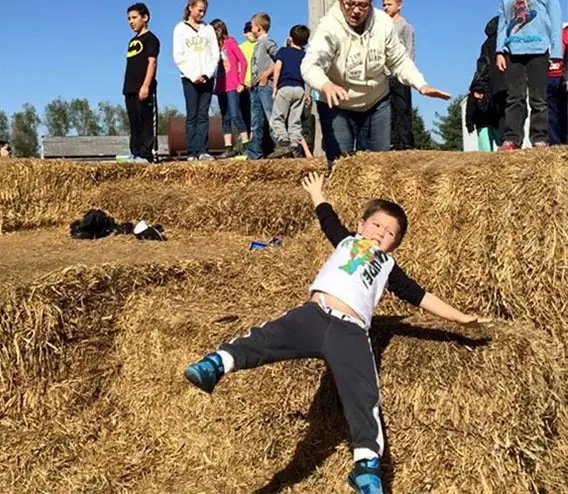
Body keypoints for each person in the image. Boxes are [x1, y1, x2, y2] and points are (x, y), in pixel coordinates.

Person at [184, 172, 490, 494]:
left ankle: (366, 467)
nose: (381, 234)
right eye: (377, 226)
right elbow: (327, 220)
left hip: (351, 331)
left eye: (390, 234)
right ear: (361, 225)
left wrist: (459, 318)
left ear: (394, 246)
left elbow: (420, 296)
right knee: (265, 338)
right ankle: (216, 364)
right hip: (314, 315)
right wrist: (317, 193)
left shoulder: (387, 266)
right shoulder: (346, 240)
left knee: (364, 394)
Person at [301, 0, 450, 166]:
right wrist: (325, 84)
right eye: (350, 4)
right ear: (340, 1)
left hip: (376, 103)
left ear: (370, 4)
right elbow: (310, 65)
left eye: (363, 5)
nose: (356, 11)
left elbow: (399, 60)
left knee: (378, 166)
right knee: (341, 166)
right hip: (338, 104)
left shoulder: (383, 23)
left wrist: (421, 84)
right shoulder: (329, 27)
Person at [495, 0, 563, 151]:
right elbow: (503, 25)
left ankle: (539, 138)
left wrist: (557, 54)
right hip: (513, 53)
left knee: (538, 98)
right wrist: (500, 51)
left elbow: (556, 20)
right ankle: (512, 138)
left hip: (538, 52)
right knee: (514, 97)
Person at [173, 0, 220, 161]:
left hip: (207, 78)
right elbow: (178, 56)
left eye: (204, 11)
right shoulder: (180, 28)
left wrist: (207, 74)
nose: (201, 14)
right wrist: (193, 75)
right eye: (199, 10)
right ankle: (192, 151)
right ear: (190, 8)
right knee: (192, 114)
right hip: (189, 78)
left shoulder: (208, 30)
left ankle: (203, 150)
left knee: (203, 115)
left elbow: (215, 54)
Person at [122, 2, 160, 164]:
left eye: (134, 18)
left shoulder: (151, 39)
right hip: (129, 88)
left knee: (145, 121)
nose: (131, 21)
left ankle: (147, 154)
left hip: (143, 88)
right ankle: (135, 152)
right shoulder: (132, 41)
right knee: (134, 122)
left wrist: (145, 86)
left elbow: (152, 63)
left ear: (145, 18)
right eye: (129, 18)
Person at [268, 24, 311, 158]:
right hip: (299, 90)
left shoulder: (283, 52)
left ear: (290, 38)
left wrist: (275, 87)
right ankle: (294, 145)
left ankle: (283, 141)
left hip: (285, 88)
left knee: (277, 118)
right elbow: (308, 75)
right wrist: (308, 93)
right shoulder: (305, 56)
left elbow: (277, 69)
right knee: (295, 121)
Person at [210, 19, 250, 158]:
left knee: (235, 115)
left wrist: (241, 82)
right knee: (225, 118)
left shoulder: (230, 42)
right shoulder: (214, 48)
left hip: (232, 85)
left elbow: (243, 61)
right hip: (221, 85)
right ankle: (228, 147)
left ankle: (246, 145)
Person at [465, 17, 506, 151]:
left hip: (493, 85)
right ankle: (507, 142)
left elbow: (482, 65)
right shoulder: (505, 40)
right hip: (505, 82)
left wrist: (478, 84)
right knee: (505, 114)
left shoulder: (486, 44)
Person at [382, 0, 415, 150]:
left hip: (400, 72)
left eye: (389, 4)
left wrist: (408, 71)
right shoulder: (383, 26)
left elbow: (409, 48)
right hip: (385, 74)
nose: (386, 7)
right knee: (389, 110)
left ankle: (406, 142)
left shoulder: (405, 26)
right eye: (384, 5)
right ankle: (392, 142)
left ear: (399, 5)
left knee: (402, 108)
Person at [246, 13, 279, 160]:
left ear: (258, 28)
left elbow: (279, 59)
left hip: (265, 86)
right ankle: (254, 153)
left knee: (271, 116)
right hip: (255, 88)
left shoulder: (267, 42)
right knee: (256, 121)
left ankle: (280, 147)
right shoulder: (257, 44)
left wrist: (266, 74)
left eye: (252, 26)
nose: (250, 29)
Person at [547, 23, 568, 145]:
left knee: (562, 111)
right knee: (552, 112)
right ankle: (555, 142)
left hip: (560, 74)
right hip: (551, 76)